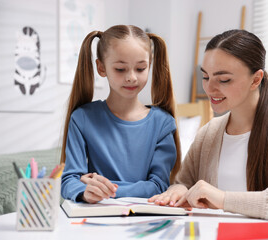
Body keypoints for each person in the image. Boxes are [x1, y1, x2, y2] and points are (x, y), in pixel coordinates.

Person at [149, 29, 268, 223]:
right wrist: (179, 189)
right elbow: (185, 182)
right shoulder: (208, 134)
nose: (209, 89)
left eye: (224, 79)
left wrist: (225, 200)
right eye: (206, 77)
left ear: (256, 79)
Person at [60, 25, 181, 204]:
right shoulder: (82, 118)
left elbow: (157, 186)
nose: (131, 77)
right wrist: (85, 191)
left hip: (144, 219)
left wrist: (103, 188)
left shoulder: (163, 123)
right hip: (96, 219)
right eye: (120, 69)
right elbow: (69, 182)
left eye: (140, 69)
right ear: (101, 68)